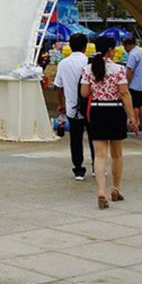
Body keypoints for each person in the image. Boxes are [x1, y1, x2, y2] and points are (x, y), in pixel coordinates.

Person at [80, 36, 138, 208]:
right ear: (110, 50)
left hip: (97, 111)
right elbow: (124, 93)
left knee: (99, 155)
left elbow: (84, 93)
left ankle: (101, 191)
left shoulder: (88, 69)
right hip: (115, 111)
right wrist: (132, 116)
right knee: (117, 154)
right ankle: (116, 189)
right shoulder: (119, 69)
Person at [53, 33, 92, 180]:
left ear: (70, 46)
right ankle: (96, 165)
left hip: (72, 108)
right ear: (85, 47)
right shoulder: (89, 62)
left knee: (76, 139)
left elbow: (58, 86)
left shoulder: (63, 63)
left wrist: (61, 104)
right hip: (89, 108)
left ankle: (78, 169)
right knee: (94, 137)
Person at [123, 37, 142, 131]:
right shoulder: (141, 53)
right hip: (141, 83)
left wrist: (127, 82)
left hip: (134, 84)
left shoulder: (133, 55)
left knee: (134, 106)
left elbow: (130, 70)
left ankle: (135, 125)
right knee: (141, 105)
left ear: (128, 45)